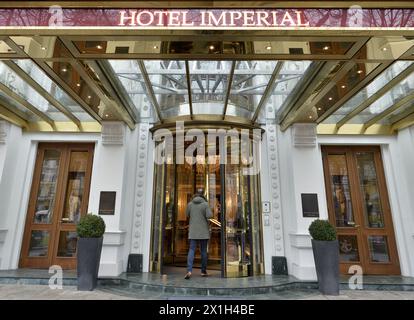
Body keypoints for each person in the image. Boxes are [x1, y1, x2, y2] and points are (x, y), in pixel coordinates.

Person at [184, 188, 213, 279]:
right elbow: (209, 215)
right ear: (203, 195)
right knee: (203, 251)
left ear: (195, 194)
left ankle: (189, 271)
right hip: (203, 231)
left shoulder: (190, 204)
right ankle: (203, 271)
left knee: (191, 250)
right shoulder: (205, 204)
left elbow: (187, 214)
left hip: (193, 231)